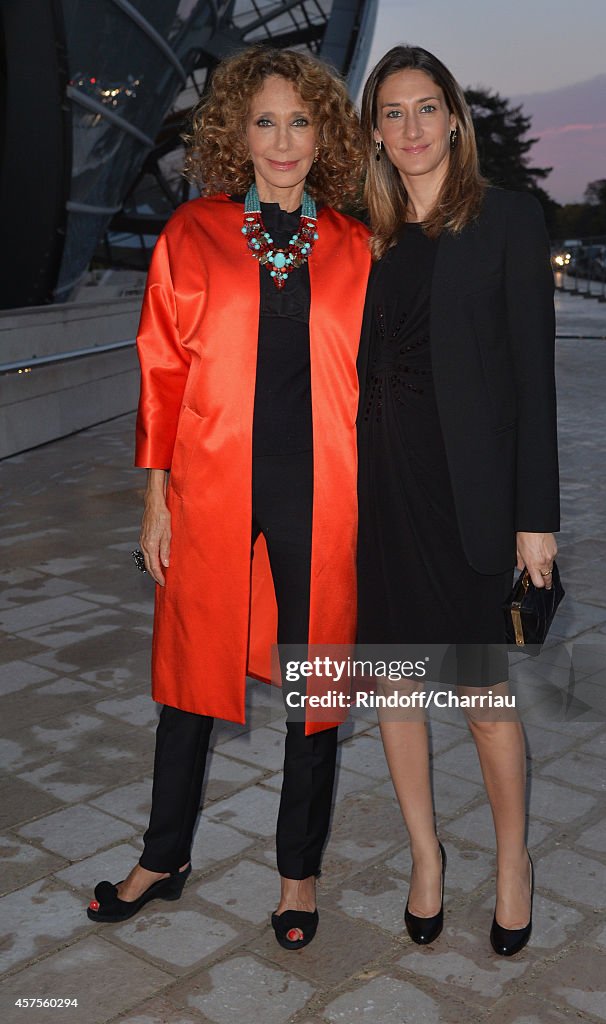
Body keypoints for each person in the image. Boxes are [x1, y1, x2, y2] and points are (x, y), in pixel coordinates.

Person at [86, 46, 371, 951]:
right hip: (210, 486)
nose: (282, 140)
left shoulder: (357, 245)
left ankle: (298, 875)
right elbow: (161, 372)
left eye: (299, 121)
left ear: (322, 132)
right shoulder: (193, 232)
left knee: (316, 680)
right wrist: (155, 497)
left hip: (324, 491)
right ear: (234, 132)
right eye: (263, 121)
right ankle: (162, 856)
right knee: (186, 677)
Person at [357, 46, 560, 956]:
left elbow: (533, 382)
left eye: (426, 108)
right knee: (397, 693)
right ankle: (426, 857)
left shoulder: (510, 220)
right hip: (381, 502)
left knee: (482, 698)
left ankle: (513, 861)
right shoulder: (358, 232)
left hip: (471, 504)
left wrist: (537, 520)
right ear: (373, 130)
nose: (411, 129)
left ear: (454, 119)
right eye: (392, 113)